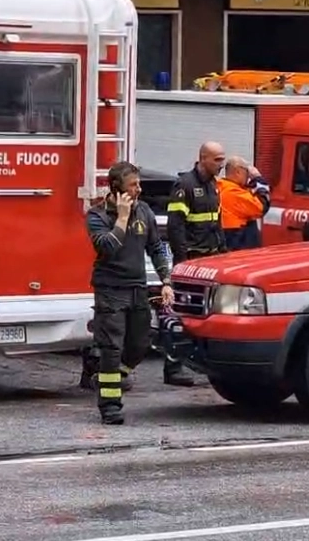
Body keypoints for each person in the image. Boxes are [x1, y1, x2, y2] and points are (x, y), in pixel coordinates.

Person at [85, 161, 174, 425]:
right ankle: (110, 406)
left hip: (137, 288)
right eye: (133, 185)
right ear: (116, 188)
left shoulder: (144, 211)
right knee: (112, 349)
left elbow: (156, 247)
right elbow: (107, 247)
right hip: (110, 290)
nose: (139, 189)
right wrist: (122, 218)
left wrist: (165, 280)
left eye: (138, 184)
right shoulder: (97, 215)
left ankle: (106, 377)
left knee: (140, 344)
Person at [162, 141, 228, 386]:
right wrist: (181, 260)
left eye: (222, 159)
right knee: (181, 313)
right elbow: (175, 226)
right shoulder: (185, 185)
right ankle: (173, 367)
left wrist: (223, 252)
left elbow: (216, 221)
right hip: (191, 259)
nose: (221, 164)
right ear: (203, 158)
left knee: (207, 313)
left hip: (210, 259)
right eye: (217, 160)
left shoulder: (213, 185)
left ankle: (203, 361)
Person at [217, 156, 270, 251]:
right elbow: (262, 207)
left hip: (230, 242)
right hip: (239, 246)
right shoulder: (234, 193)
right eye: (246, 171)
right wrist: (259, 179)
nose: (248, 176)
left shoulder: (222, 187)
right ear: (237, 172)